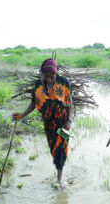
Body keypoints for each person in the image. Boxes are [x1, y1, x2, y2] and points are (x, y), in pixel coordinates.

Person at [13, 58, 72, 188]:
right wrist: (22, 115)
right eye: (47, 76)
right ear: (42, 75)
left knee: (61, 151)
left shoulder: (63, 82)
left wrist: (69, 120)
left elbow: (69, 101)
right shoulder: (38, 85)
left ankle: (59, 180)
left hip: (62, 123)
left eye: (52, 76)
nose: (50, 79)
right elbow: (35, 102)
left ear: (56, 73)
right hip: (48, 124)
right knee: (53, 149)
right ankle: (59, 174)